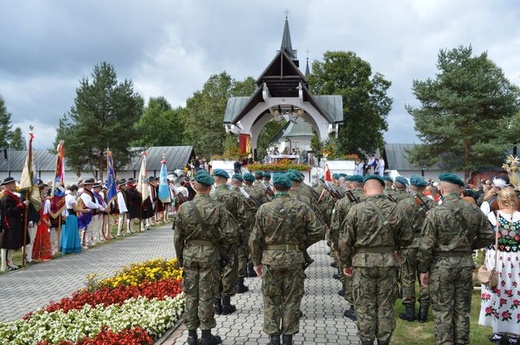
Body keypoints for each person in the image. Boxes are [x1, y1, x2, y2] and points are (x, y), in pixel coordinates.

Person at [417, 173, 494, 345]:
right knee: (462, 309)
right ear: (459, 189)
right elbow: (489, 234)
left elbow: (426, 245)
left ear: (442, 190)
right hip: (465, 264)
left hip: (441, 266)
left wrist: (423, 269)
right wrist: (469, 246)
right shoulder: (473, 209)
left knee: (443, 310)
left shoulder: (435, 213)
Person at [249, 173, 325, 345]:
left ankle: (274, 337)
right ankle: (288, 338)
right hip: (294, 259)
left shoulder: (264, 209)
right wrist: (302, 243)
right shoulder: (301, 207)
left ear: (274, 188)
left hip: (270, 259)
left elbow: (254, 239)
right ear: (290, 188)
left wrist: (256, 262)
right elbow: (319, 230)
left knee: (271, 299)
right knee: (292, 300)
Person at [338, 175, 412, 345]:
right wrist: (396, 247)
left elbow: (345, 241)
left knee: (364, 306)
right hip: (388, 263)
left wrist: (346, 263)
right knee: (385, 306)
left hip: (362, 264)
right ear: (383, 188)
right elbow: (408, 237)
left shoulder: (356, 210)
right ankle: (384, 341)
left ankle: (366, 341)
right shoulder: (396, 209)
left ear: (364, 189)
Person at [173, 170, 238, 345]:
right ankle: (207, 335)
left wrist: (180, 259)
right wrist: (221, 248)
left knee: (191, 295)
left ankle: (191, 335)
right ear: (210, 187)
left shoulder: (184, 208)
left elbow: (178, 238)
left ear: (194, 187)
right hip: (210, 256)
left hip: (189, 255)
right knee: (207, 295)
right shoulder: (218, 207)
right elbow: (231, 234)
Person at [478, 186, 520, 345]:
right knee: (516, 294)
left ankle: (497, 332)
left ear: (499, 201)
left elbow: (485, 238)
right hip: (517, 261)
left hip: (496, 260)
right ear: (515, 200)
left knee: (497, 293)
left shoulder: (492, 216)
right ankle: (514, 335)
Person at [397, 175, 436, 323]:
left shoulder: (403, 204)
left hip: (408, 244)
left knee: (407, 277)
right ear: (423, 188)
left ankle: (409, 311)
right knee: (425, 277)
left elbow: (397, 226)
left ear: (411, 186)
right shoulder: (432, 204)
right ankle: (424, 311)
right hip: (427, 243)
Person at [211, 169, 251, 313]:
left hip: (212, 239)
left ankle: (216, 303)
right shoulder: (234, 195)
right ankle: (226, 302)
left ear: (215, 179)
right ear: (226, 179)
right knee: (229, 268)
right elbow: (245, 217)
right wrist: (237, 231)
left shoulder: (209, 195)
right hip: (229, 238)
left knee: (214, 268)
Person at [329, 174, 364, 321]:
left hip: (349, 244)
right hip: (371, 248)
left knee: (350, 275)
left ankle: (354, 307)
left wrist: (335, 245)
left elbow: (336, 226)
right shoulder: (371, 200)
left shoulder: (343, 202)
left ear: (350, 185)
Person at [0, 177, 30, 271]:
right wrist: (23, 205)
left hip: (13, 224)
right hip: (8, 224)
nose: (14, 185)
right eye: (12, 184)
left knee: (11, 245)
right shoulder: (6, 197)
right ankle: (4, 265)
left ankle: (10, 262)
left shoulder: (11, 196)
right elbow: (10, 211)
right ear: (7, 186)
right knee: (5, 245)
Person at [60, 185, 87, 254]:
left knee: (66, 232)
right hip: (71, 216)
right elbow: (75, 209)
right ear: (74, 190)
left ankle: (65, 246)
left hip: (66, 215)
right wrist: (85, 211)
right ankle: (71, 247)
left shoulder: (66, 197)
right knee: (71, 232)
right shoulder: (71, 198)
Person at [32, 183, 53, 261]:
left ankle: (44, 254)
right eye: (45, 189)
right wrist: (46, 222)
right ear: (41, 189)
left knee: (45, 237)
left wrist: (48, 220)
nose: (46, 191)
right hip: (41, 220)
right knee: (40, 237)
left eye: (47, 190)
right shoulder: (38, 199)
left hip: (45, 219)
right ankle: (38, 255)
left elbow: (46, 211)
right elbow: (40, 213)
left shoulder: (44, 198)